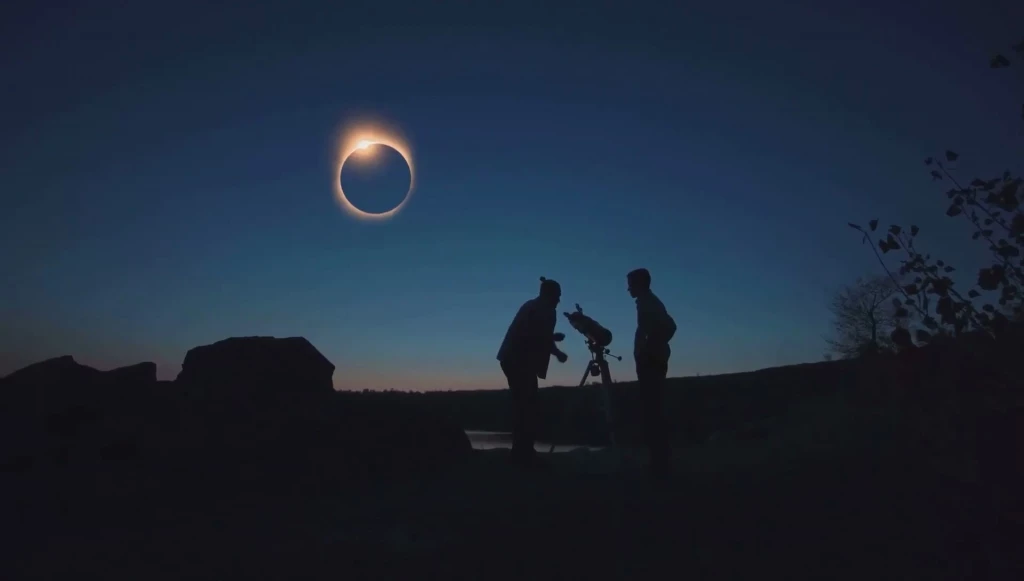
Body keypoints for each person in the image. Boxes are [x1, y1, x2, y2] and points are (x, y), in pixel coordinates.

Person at [497, 277, 568, 465]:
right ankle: (523, 455)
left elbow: (537, 335)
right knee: (527, 407)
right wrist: (557, 350)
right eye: (557, 296)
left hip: (514, 360)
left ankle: (522, 452)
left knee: (525, 406)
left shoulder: (533, 306)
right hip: (517, 360)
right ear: (549, 294)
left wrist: (555, 347)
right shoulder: (544, 310)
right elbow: (535, 335)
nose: (559, 300)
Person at [627, 268, 677, 478]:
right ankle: (659, 461)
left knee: (653, 412)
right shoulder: (649, 302)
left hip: (651, 362)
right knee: (654, 410)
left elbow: (667, 327)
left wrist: (649, 350)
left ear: (639, 284)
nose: (627, 288)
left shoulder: (648, 304)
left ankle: (659, 464)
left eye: (630, 283)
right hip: (652, 360)